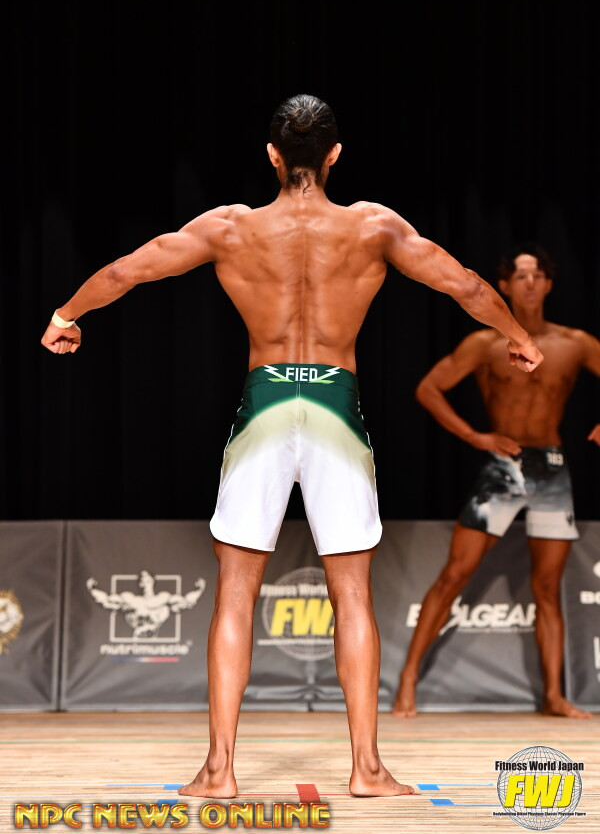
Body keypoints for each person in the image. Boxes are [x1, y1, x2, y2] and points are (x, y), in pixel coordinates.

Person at [41, 94, 542, 797]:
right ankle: (367, 770)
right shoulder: (373, 226)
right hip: (335, 406)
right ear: (335, 155)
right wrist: (518, 336)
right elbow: (462, 283)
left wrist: (66, 314)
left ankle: (219, 771)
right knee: (353, 595)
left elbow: (130, 269)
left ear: (272, 156)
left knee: (236, 593)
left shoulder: (229, 228)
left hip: (267, 407)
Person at [393, 245, 600, 720]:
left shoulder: (575, 343)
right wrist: (475, 436)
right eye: (520, 276)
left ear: (549, 284)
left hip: (550, 468)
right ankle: (407, 681)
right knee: (455, 574)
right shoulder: (484, 344)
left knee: (547, 588)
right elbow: (428, 388)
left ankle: (553, 696)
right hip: (501, 467)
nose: (529, 283)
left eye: (537, 275)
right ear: (503, 286)